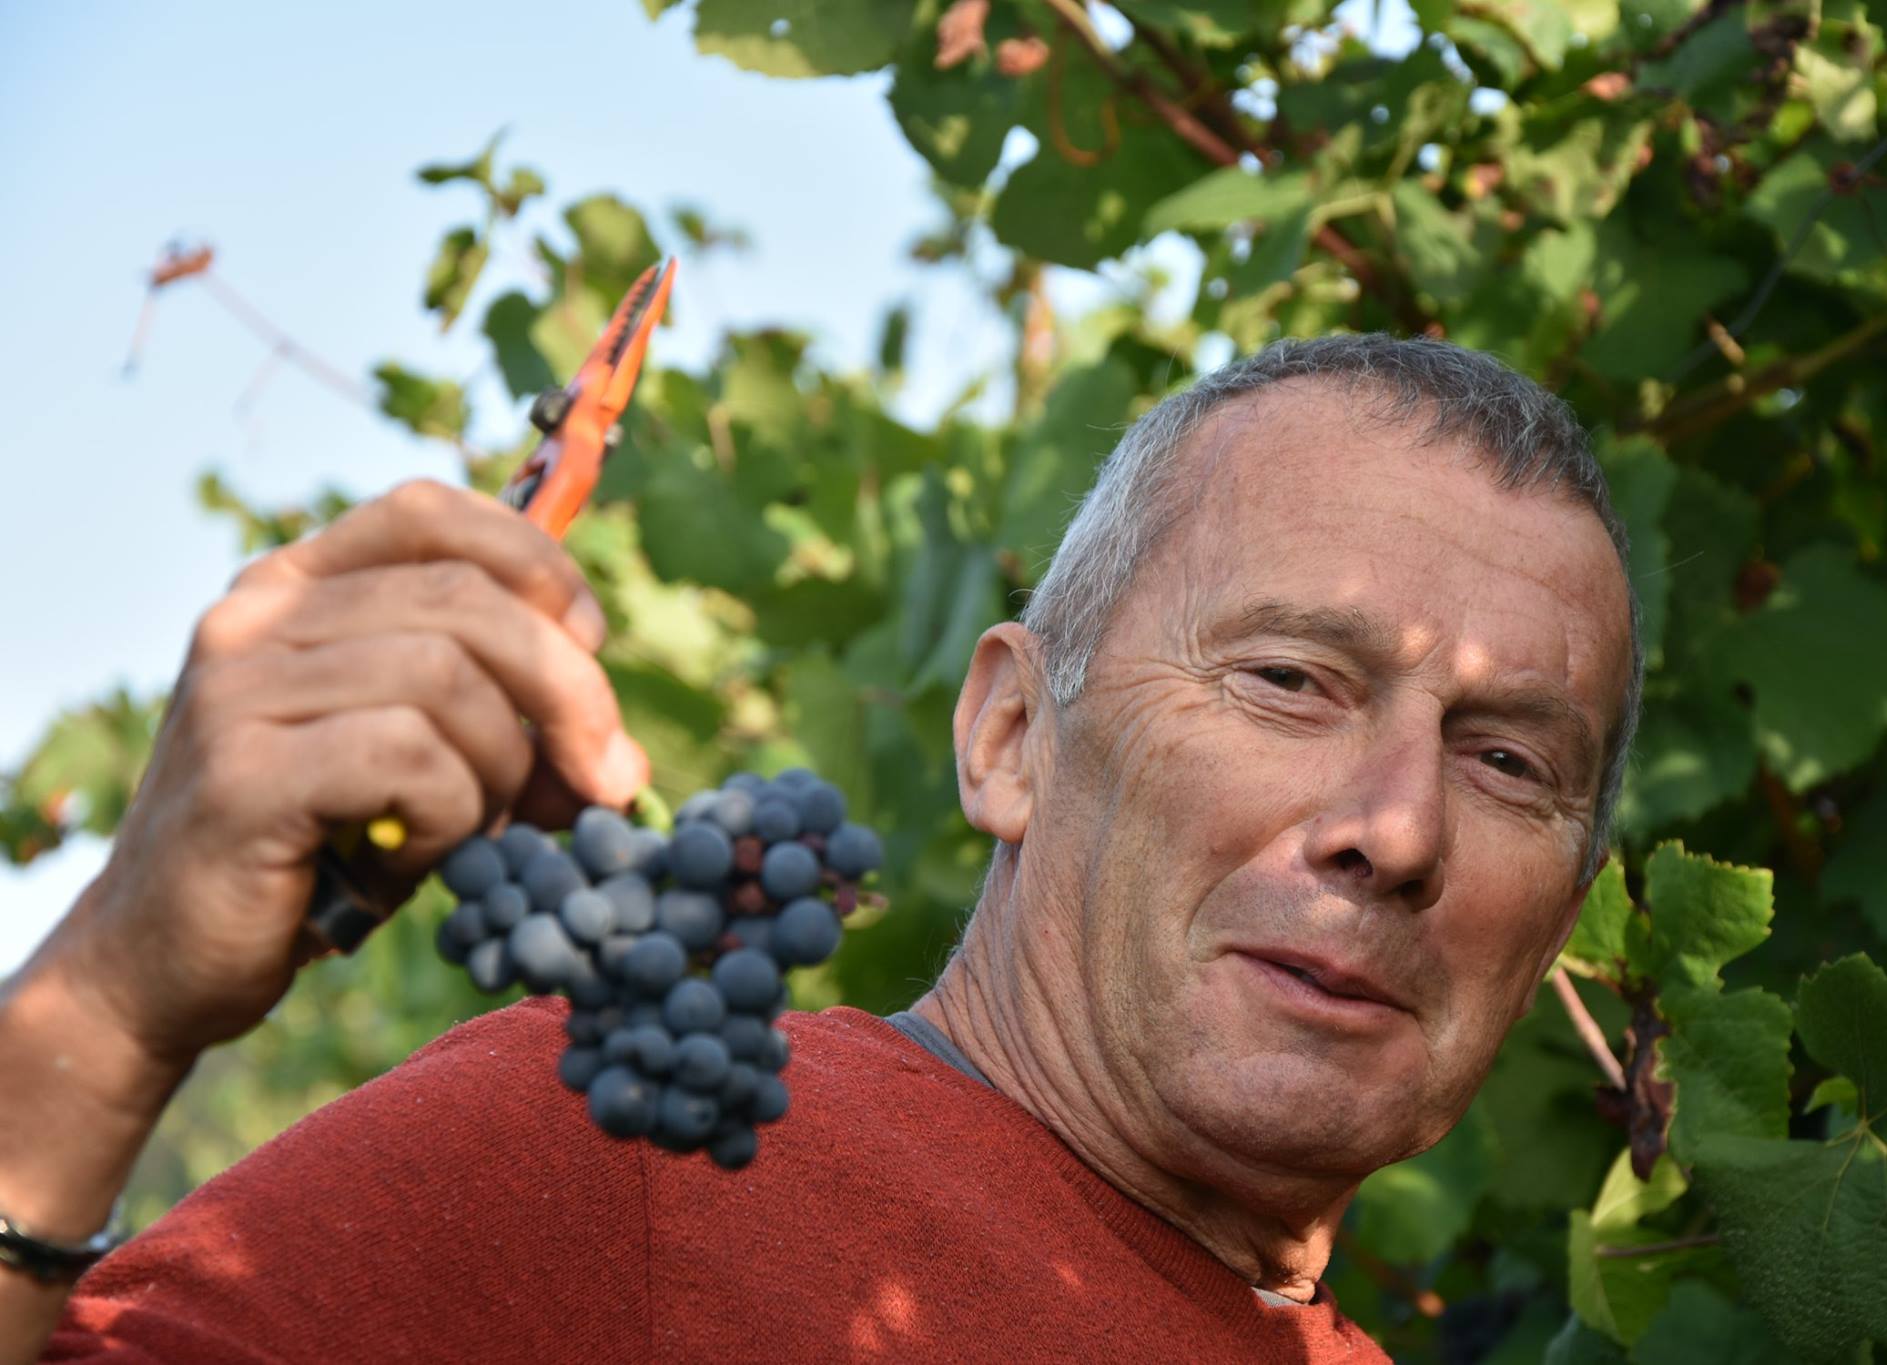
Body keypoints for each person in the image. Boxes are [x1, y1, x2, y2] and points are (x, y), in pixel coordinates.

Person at [0, 334, 1639, 1363]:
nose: (1401, 826)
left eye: (1507, 761)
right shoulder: (620, 1166)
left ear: (1563, 897)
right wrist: (108, 1016)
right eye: (1289, 680)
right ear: (1010, 735)